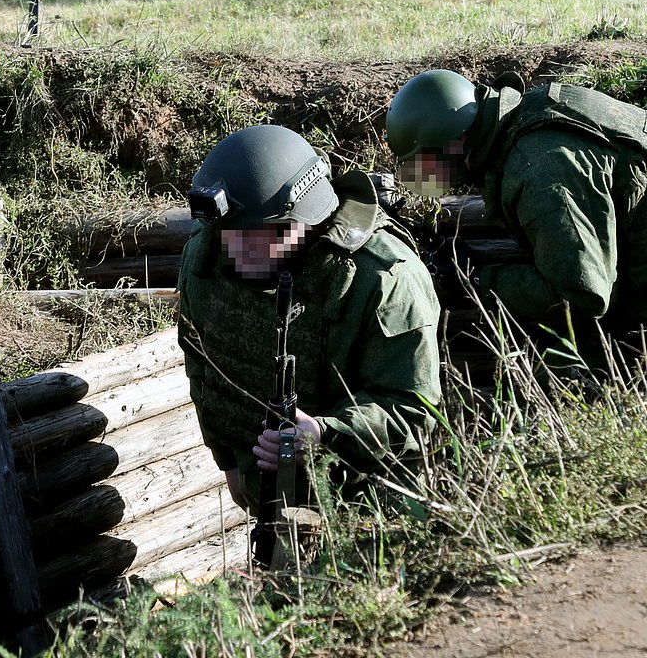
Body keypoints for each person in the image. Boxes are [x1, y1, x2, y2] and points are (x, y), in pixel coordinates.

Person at [177, 124, 442, 516]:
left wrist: (324, 434)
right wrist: (228, 462)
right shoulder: (207, 256)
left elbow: (413, 408)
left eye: (257, 238)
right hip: (268, 501)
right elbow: (202, 366)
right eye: (230, 236)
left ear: (303, 220)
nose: (237, 252)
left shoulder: (385, 277)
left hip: (369, 507)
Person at [386, 70, 647, 357]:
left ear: (457, 140)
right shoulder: (529, 112)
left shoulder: (538, 169)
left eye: (429, 162)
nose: (428, 175)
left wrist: (474, 279)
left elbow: (583, 296)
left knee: (559, 375)